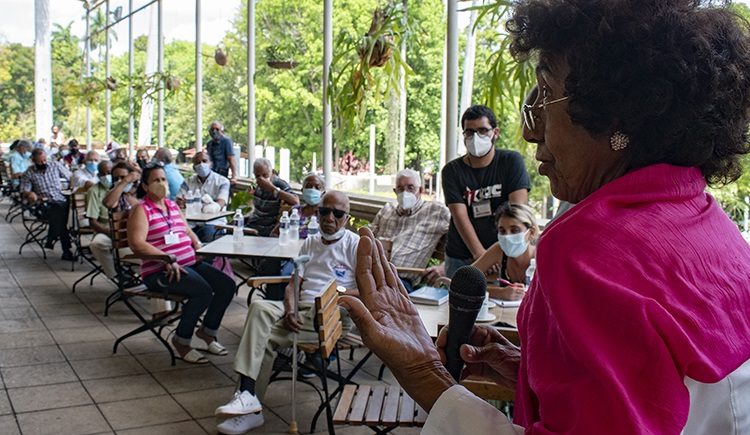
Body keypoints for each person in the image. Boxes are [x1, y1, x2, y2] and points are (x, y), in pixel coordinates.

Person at [341, 1, 750, 434]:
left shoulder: (588, 248)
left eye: (544, 95)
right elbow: (664, 397)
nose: (530, 129)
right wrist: (535, 375)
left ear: (615, 115)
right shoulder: (712, 225)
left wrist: (424, 373)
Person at [214, 191, 358, 434]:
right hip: (300, 309)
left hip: (330, 314)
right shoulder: (310, 242)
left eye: (338, 213)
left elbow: (366, 292)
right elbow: (293, 284)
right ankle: (248, 398)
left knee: (262, 339)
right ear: (317, 213)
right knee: (259, 307)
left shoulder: (355, 245)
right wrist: (290, 309)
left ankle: (250, 405)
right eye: (324, 211)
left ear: (347, 217)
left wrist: (336, 294)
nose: (330, 217)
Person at [128, 164, 235, 364]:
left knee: (226, 285)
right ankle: (182, 340)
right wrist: (166, 258)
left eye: (163, 179)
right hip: (161, 271)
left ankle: (207, 332)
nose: (161, 183)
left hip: (190, 263)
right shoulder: (141, 210)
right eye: (156, 180)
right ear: (145, 186)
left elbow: (187, 231)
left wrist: (198, 246)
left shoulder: (172, 206)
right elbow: (137, 244)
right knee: (202, 292)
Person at [441, 104, 531, 279]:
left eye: (482, 130)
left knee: (503, 296)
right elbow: (459, 215)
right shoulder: (452, 171)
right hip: (461, 255)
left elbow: (518, 211)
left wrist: (496, 256)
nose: (476, 137)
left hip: (503, 254)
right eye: (469, 132)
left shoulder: (511, 162)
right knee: (458, 293)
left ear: (495, 133)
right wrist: (481, 255)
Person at [369, 168, 450, 293]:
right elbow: (368, 237)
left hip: (399, 280)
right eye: (400, 189)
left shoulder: (436, 211)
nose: (405, 193)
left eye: (410, 188)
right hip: (370, 272)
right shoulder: (387, 209)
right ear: (395, 191)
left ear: (420, 190)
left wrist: (444, 267)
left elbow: (461, 238)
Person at [470, 202, 538, 301]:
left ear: (531, 232)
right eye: (502, 231)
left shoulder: (541, 256)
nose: (507, 236)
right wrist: (499, 292)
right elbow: (463, 279)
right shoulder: (499, 250)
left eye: (514, 230)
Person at [86, 161, 139, 281]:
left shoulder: (134, 192)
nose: (119, 180)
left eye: (123, 177)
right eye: (116, 178)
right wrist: (110, 232)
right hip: (109, 230)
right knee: (97, 244)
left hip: (134, 235)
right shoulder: (98, 192)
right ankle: (116, 275)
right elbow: (94, 220)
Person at [20, 148, 75, 261]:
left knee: (61, 213)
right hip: (44, 204)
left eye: (45, 159)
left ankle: (52, 237)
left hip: (61, 201)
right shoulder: (29, 172)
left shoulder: (55, 165)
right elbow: (24, 190)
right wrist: (29, 193)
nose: (44, 163)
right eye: (40, 161)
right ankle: (64, 248)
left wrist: (73, 186)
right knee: (60, 217)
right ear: (33, 160)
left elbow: (71, 177)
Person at [179, 151, 230, 242]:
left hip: (214, 224)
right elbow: (179, 200)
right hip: (191, 224)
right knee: (179, 235)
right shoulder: (187, 182)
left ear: (211, 164)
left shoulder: (222, 181)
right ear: (194, 167)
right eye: (198, 162)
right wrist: (181, 202)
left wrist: (212, 207)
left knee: (206, 233)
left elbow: (221, 202)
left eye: (204, 161)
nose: (201, 165)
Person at [245, 158, 299, 236]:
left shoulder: (279, 184)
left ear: (272, 172)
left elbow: (296, 201)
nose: (261, 179)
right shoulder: (255, 185)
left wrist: (273, 189)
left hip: (268, 230)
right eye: (258, 176)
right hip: (252, 226)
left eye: (265, 175)